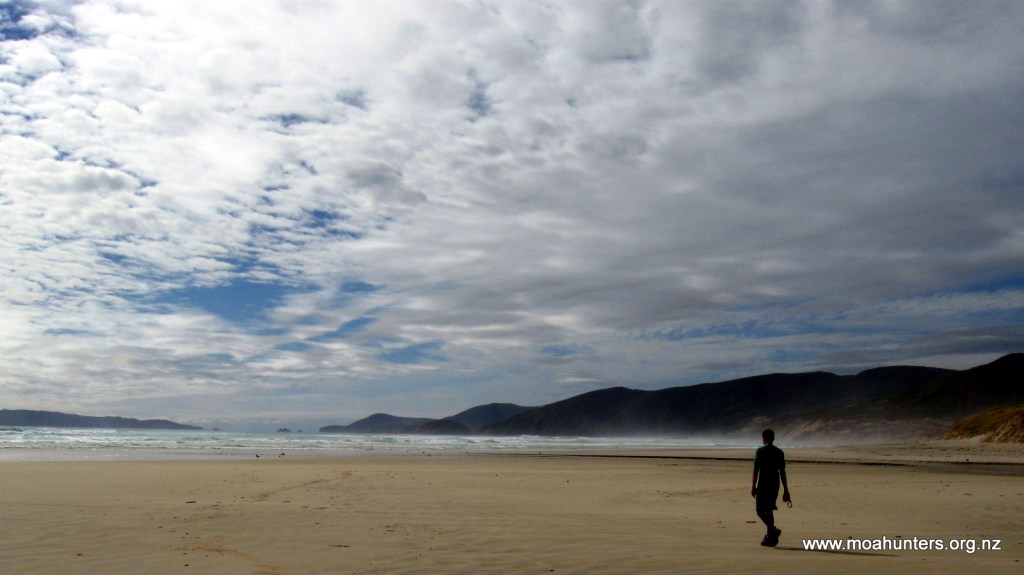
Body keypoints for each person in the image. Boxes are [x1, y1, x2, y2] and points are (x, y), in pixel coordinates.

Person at [751, 428, 790, 547]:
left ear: (764, 439)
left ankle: (773, 530)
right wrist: (786, 490)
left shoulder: (760, 451)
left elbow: (755, 471)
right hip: (775, 484)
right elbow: (782, 472)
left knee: (760, 510)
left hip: (763, 484)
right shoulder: (779, 452)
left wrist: (753, 486)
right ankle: (770, 538)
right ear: (773, 438)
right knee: (768, 509)